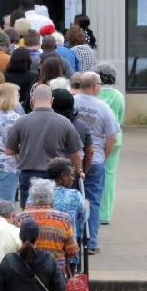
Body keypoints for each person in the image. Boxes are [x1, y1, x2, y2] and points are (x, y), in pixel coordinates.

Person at [5, 85, 84, 207]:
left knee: (29, 211)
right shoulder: (64, 122)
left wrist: (21, 155)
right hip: (56, 175)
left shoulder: (21, 121)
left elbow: (9, 150)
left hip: (28, 173)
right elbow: (76, 153)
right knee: (54, 210)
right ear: (52, 100)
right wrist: (78, 171)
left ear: (33, 100)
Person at [72, 72, 120, 254]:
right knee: (93, 201)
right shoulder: (103, 108)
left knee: (72, 200)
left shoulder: (72, 102)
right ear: (94, 86)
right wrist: (104, 156)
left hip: (73, 158)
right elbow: (112, 137)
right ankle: (91, 243)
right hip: (96, 159)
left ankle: (74, 241)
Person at [21, 179, 78, 276]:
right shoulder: (64, 219)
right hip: (55, 271)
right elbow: (72, 251)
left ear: (32, 197)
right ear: (52, 196)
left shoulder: (20, 218)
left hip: (26, 271)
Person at [95, 62, 125, 225]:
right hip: (114, 139)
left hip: (95, 140)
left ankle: (92, 210)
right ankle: (105, 214)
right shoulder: (118, 96)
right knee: (109, 176)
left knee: (93, 175)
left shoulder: (94, 94)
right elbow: (120, 119)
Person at [48, 158, 88, 267]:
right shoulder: (74, 195)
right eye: (71, 175)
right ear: (63, 176)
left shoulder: (38, 193)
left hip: (43, 246)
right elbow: (83, 217)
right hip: (67, 245)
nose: (73, 178)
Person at [51, 89, 93, 177]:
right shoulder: (81, 125)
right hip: (72, 173)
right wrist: (82, 171)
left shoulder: (48, 125)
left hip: (51, 171)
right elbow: (90, 151)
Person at [3, 47, 38, 112]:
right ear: (28, 60)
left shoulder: (4, 76)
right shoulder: (34, 76)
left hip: (9, 108)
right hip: (28, 109)